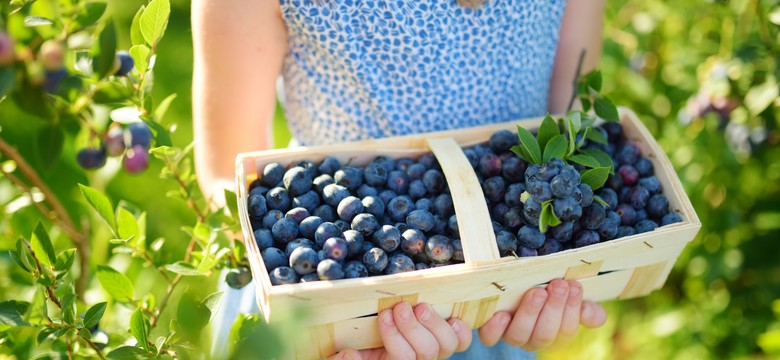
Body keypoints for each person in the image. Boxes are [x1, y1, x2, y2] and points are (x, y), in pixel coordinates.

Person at [192, 0, 608, 358]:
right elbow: (229, 182)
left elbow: (566, 138)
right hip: (327, 303)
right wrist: (339, 324)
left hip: (496, 288)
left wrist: (555, 278)